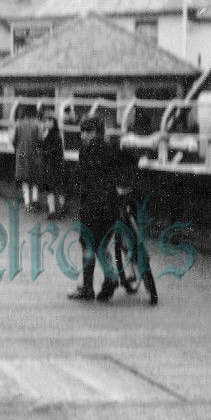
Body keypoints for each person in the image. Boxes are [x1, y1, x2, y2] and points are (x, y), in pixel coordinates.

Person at [67, 116, 138, 303]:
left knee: (87, 244)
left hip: (91, 205)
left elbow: (80, 177)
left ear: (95, 133)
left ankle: (91, 287)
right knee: (101, 244)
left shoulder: (85, 151)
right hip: (111, 204)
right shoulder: (111, 148)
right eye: (83, 132)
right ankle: (109, 279)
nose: (84, 136)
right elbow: (131, 161)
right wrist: (124, 185)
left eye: (87, 132)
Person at [13, 106, 44, 210]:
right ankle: (35, 200)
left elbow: (14, 140)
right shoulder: (38, 124)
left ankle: (27, 203)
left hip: (21, 154)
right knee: (35, 178)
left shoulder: (19, 123)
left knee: (24, 180)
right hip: (35, 154)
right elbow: (40, 139)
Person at [39, 113, 65, 219]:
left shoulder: (52, 136)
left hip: (52, 166)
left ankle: (53, 211)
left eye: (48, 122)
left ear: (53, 123)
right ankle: (57, 210)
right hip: (55, 166)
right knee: (56, 189)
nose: (46, 123)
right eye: (45, 122)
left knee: (51, 189)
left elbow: (46, 151)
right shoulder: (56, 135)